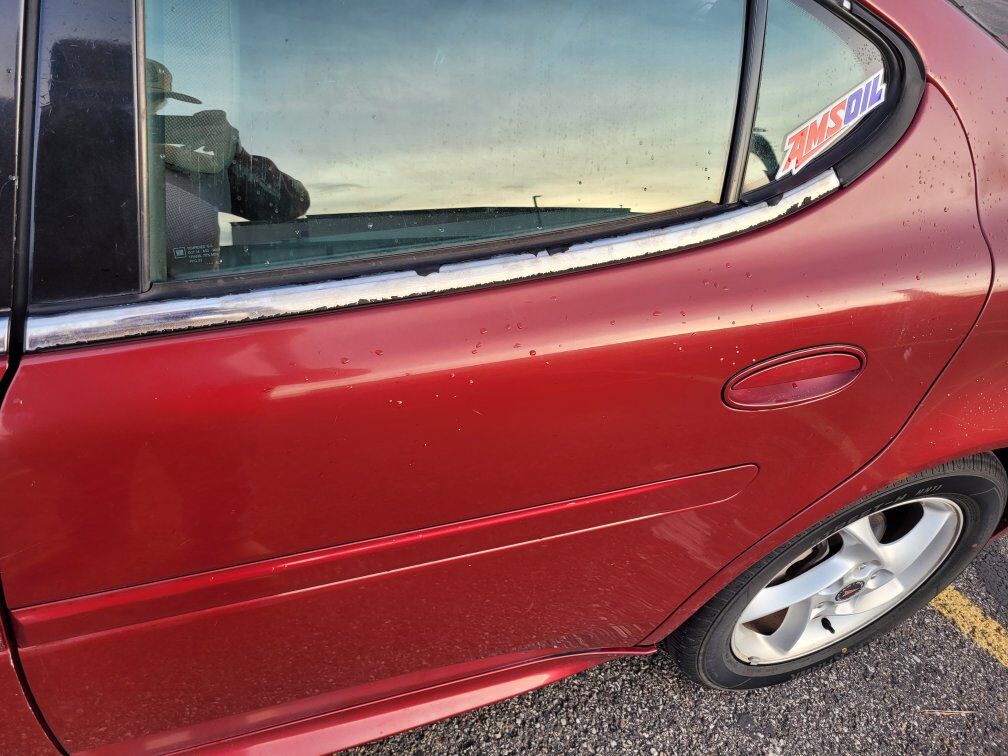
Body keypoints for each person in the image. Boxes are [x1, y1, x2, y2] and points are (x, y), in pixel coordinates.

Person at [147, 60, 310, 276]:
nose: (143, 113)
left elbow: (291, 202)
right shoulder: (177, 165)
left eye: (154, 101)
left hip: (188, 292)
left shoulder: (181, 164)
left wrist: (233, 154)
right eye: (136, 100)